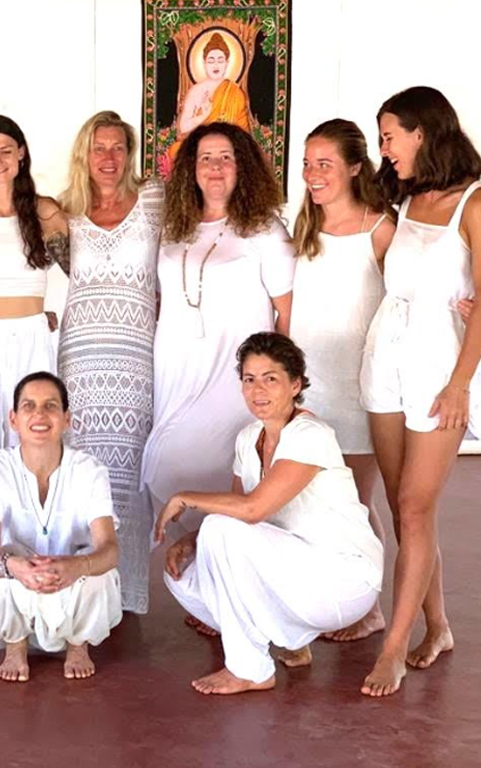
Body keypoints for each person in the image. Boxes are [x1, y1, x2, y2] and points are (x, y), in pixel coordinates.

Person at [156, 332, 383, 695]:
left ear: (295, 385)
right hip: (297, 574)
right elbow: (234, 516)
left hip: (344, 580)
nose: (258, 389)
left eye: (270, 378)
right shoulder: (248, 439)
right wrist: (190, 541)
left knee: (219, 530)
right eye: (249, 379)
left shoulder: (311, 434)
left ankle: (251, 669)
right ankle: (291, 640)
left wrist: (185, 498)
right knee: (182, 575)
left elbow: (252, 510)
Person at [360, 87, 481, 697]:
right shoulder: (404, 199)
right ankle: (436, 626)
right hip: (386, 357)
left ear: (422, 132)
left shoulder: (475, 205)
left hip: (439, 370)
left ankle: (394, 648)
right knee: (406, 508)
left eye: (389, 135)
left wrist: (461, 383)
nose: (384, 148)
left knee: (414, 505)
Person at [142, 122, 295, 539]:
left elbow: (287, 315)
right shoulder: (174, 227)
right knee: (171, 463)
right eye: (205, 158)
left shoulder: (265, 230)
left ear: (242, 167)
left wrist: (273, 382)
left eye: (226, 158)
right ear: (191, 168)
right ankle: (193, 571)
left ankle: (218, 577)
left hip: (233, 379)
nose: (215, 167)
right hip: (177, 370)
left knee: (228, 470)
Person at [290, 119, 396, 642]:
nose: (312, 174)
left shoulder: (380, 230)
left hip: (355, 391)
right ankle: (323, 596)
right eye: (308, 163)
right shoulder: (304, 229)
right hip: (308, 391)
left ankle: (369, 606)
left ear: (355, 167)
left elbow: (406, 304)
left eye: (324, 163)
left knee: (354, 502)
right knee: (311, 501)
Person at [57, 111, 162, 614]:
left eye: (119, 147)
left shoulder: (155, 202)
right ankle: (81, 588)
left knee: (130, 471)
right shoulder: (63, 212)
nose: (109, 158)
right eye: (99, 148)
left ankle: (127, 590)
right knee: (81, 468)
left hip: (137, 356)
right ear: (85, 154)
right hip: (80, 358)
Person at [0, 372, 122, 682]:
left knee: (98, 568)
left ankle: (78, 645)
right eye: (29, 406)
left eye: (50, 406)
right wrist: (19, 567)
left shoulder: (89, 470)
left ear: (66, 419)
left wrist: (76, 565)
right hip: (19, 584)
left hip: (72, 585)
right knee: (3, 559)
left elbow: (109, 550)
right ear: (13, 419)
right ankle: (14, 646)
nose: (39, 414)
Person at [167, 32, 252, 161]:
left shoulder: (235, 93)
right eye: (211, 60)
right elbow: (183, 127)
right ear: (204, 62)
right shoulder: (196, 90)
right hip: (199, 145)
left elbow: (243, 133)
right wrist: (204, 115)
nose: (216, 65)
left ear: (227, 62)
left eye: (220, 60)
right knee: (175, 150)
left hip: (227, 146)